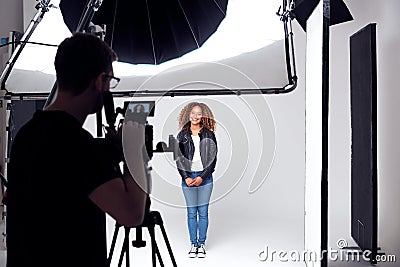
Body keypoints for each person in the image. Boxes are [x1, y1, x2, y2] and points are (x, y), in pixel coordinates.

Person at [6, 32, 148, 267]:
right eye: (110, 81)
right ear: (98, 81)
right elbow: (132, 214)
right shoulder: (77, 144)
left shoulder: (27, 134)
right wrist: (135, 149)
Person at [176, 102, 217, 258]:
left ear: (203, 116)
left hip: (205, 178)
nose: (195, 116)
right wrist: (186, 177)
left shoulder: (209, 134)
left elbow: (213, 160)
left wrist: (201, 177)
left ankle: (202, 244)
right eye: (193, 113)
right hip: (188, 178)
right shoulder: (182, 135)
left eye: (199, 113)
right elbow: (179, 159)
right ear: (188, 114)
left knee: (203, 213)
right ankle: (194, 244)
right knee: (191, 213)